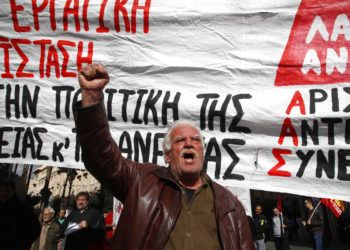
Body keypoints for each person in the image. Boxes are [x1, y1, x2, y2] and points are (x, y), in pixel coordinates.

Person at [73, 63, 254, 250]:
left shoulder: (230, 204)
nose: (189, 143)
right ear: (167, 156)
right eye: (180, 140)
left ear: (203, 153)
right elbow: (101, 156)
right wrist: (92, 97)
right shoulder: (142, 182)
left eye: (196, 140)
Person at [0, 179, 41, 250]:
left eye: (7, 191)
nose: (3, 194)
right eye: (1, 191)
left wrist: (21, 245)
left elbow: (36, 229)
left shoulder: (24, 207)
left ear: (13, 191)